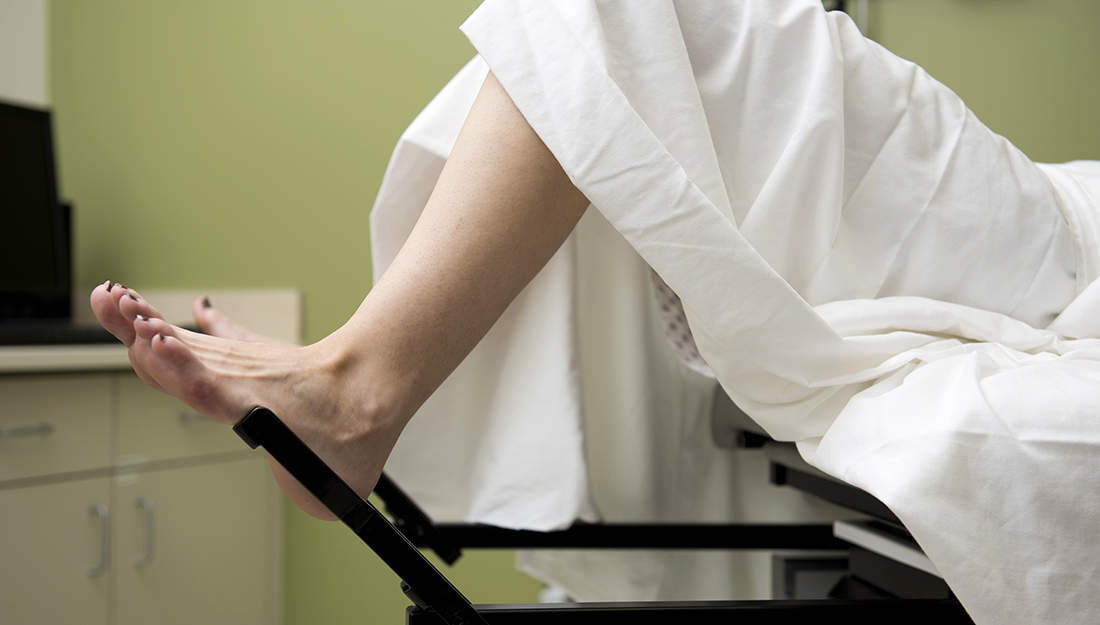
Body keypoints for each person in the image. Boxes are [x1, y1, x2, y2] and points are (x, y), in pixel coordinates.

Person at [92, 1, 1100, 623]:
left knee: (615, 25)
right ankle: (354, 379)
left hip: (1063, 249)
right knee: (579, 72)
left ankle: (356, 390)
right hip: (1065, 214)